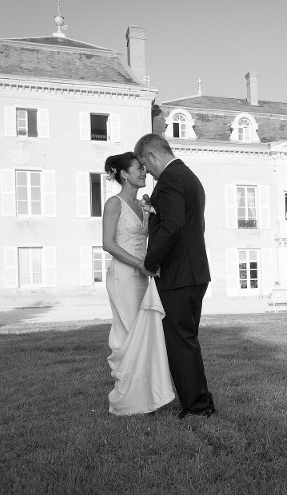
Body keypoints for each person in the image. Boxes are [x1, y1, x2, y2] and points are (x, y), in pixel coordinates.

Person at [134, 134, 215, 419]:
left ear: (153, 155)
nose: (146, 172)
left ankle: (196, 407)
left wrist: (150, 262)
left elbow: (173, 227)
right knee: (187, 339)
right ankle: (201, 400)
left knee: (179, 341)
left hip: (178, 274)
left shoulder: (169, 181)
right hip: (195, 270)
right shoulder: (189, 176)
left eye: (145, 165)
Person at [102, 152, 175, 415]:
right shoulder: (114, 203)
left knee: (145, 332)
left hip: (144, 274)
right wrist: (139, 264)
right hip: (124, 275)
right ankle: (127, 399)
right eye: (139, 169)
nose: (144, 173)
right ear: (124, 174)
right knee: (129, 333)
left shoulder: (144, 204)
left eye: (144, 169)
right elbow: (108, 243)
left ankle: (146, 396)